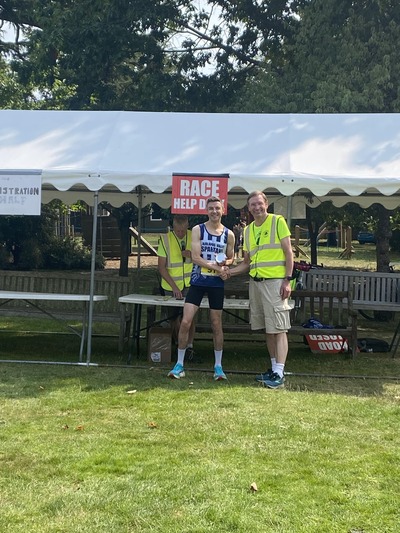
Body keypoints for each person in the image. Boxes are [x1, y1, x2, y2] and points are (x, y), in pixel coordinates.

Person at [223, 191, 294, 389]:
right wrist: (230, 272)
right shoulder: (248, 231)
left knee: (279, 328)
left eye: (259, 203)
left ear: (266, 204)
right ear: (249, 208)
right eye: (252, 205)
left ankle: (279, 373)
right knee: (268, 328)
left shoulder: (277, 221)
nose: (256, 207)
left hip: (275, 283)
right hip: (256, 283)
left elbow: (289, 252)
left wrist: (287, 280)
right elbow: (247, 262)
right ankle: (273, 369)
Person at [167, 197, 235, 380]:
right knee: (186, 322)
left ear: (222, 210)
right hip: (197, 281)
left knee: (216, 324)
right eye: (211, 208)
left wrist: (225, 265)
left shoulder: (228, 234)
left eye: (217, 208)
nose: (214, 211)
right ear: (207, 211)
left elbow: (231, 257)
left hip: (216, 284)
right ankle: (179, 364)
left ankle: (218, 367)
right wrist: (217, 266)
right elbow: (196, 258)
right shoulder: (198, 230)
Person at [157, 215, 195, 359]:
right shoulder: (166, 239)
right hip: (171, 285)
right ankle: (179, 343)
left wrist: (191, 255)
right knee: (174, 318)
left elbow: (202, 259)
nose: (180, 233)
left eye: (183, 231)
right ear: (173, 228)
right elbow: (161, 268)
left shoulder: (194, 236)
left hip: (190, 284)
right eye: (178, 231)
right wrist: (174, 287)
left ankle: (190, 347)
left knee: (190, 318)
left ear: (187, 227)